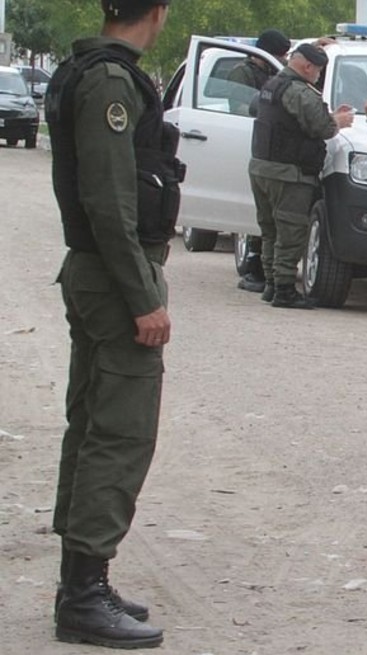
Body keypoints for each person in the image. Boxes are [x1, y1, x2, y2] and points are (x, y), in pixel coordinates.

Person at [44, 0, 183, 648]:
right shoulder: (107, 80)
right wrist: (142, 297)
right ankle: (82, 592)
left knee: (96, 421)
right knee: (120, 432)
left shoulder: (94, 70)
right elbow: (107, 198)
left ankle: (83, 579)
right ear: (156, 13)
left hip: (100, 275)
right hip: (111, 277)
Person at [248, 43, 355, 309]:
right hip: (290, 174)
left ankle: (272, 284)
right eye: (318, 70)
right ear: (308, 67)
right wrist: (338, 122)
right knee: (291, 231)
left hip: (262, 168)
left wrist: (329, 116)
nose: (318, 75)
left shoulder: (272, 85)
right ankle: (284, 289)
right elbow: (322, 128)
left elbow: (279, 117)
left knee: (270, 229)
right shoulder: (300, 92)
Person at [227, 28, 292, 296]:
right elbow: (241, 108)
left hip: (269, 147)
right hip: (252, 143)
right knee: (261, 214)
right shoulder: (241, 74)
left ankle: (264, 267)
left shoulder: (275, 71)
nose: (284, 60)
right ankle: (255, 267)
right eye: (280, 55)